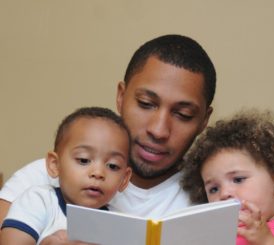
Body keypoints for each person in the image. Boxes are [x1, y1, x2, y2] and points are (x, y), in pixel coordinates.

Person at [0, 34, 216, 244]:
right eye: (145, 104)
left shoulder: (213, 195)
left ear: (204, 120)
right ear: (121, 97)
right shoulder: (42, 179)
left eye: (183, 115)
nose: (159, 130)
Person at [182, 109, 274, 244]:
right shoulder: (216, 238)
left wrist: (265, 240)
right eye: (213, 189)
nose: (224, 193)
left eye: (238, 179)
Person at [0, 107, 132, 244]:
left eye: (113, 166)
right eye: (83, 160)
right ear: (55, 165)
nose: (98, 173)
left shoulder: (118, 226)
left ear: (124, 179)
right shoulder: (39, 202)